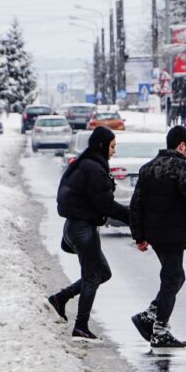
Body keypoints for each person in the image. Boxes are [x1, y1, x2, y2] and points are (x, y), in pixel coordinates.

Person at [128, 125, 186, 349]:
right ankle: (159, 330)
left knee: (175, 277)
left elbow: (136, 204)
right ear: (181, 145)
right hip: (172, 233)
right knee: (172, 279)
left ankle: (150, 316)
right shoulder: (180, 167)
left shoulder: (148, 168)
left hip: (155, 234)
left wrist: (139, 235)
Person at [48, 126, 130, 339]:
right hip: (83, 229)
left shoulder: (87, 164)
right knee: (93, 275)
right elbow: (106, 204)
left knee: (102, 273)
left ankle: (60, 298)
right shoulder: (93, 168)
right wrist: (132, 217)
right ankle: (81, 326)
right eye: (112, 147)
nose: (113, 151)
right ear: (102, 146)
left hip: (76, 227)